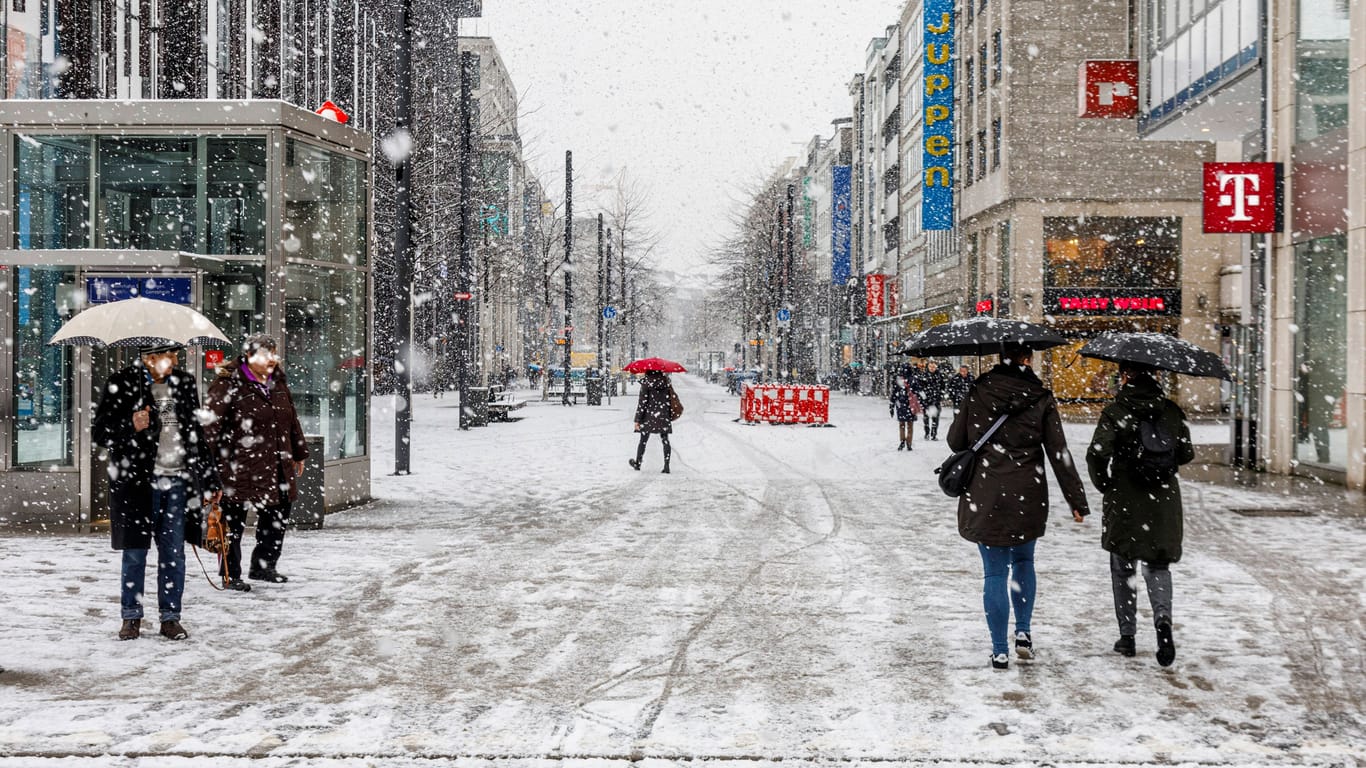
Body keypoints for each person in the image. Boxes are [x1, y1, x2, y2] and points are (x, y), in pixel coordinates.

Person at [946, 343, 1090, 670]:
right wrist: (1076, 501)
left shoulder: (979, 391)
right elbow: (1059, 452)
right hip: (1028, 491)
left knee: (995, 571)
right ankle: (1023, 632)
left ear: (1001, 358)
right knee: (1024, 561)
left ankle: (999, 650)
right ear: (1027, 359)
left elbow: (956, 441)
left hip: (986, 494)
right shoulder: (1041, 398)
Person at [92, 343, 221, 641]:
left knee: (173, 552)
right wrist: (131, 424)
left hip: (177, 482)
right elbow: (100, 433)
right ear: (149, 358)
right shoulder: (122, 382)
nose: (175, 360)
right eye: (168, 355)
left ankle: (171, 618)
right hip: (138, 483)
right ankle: (131, 617)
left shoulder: (185, 384)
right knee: (135, 554)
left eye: (176, 354)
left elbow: (196, 437)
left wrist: (210, 480)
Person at [1085, 362, 1194, 667]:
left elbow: (1097, 453)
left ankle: (1128, 636)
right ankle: (1163, 624)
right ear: (1156, 375)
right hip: (1163, 499)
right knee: (1158, 566)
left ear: (1124, 376)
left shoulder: (1116, 411)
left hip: (1125, 497)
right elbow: (1186, 453)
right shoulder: (1171, 411)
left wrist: (1104, 482)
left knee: (1123, 566)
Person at [204, 334, 309, 588]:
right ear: (249, 357)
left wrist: (299, 451)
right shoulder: (227, 384)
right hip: (238, 467)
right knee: (232, 524)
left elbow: (291, 419)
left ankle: (264, 566)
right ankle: (231, 574)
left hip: (276, 464)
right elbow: (209, 428)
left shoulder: (278, 382)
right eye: (266, 355)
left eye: (274, 354)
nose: (272, 359)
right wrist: (208, 467)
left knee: (276, 516)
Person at [629, 370, 676, 473]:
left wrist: (637, 420)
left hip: (648, 416)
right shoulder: (665, 382)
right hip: (663, 415)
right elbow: (670, 400)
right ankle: (667, 465)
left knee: (643, 440)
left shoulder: (646, 384)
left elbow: (642, 404)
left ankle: (638, 463)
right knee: (665, 439)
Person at [889, 363, 921, 450]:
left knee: (902, 424)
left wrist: (891, 406)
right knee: (910, 425)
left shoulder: (898, 379)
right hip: (911, 404)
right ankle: (909, 442)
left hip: (900, 404)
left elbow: (894, 394)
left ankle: (902, 440)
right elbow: (918, 392)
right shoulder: (913, 379)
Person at [921, 361, 947, 440]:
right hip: (926, 400)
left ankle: (934, 434)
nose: (932, 368)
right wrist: (923, 397)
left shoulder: (939, 375)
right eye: (930, 367)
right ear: (928, 367)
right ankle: (927, 433)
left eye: (933, 367)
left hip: (936, 400)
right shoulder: (924, 375)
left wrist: (941, 395)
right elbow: (921, 387)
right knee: (926, 418)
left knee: (935, 418)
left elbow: (943, 386)